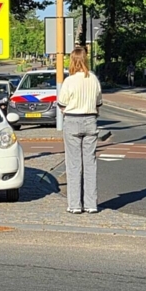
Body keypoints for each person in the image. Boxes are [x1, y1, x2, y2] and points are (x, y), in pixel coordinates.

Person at [57, 47, 103, 214]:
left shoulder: (69, 81)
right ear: (85, 60)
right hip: (91, 121)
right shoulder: (94, 79)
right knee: (90, 163)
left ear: (72, 61)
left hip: (72, 121)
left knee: (74, 163)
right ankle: (91, 204)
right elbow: (99, 102)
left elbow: (61, 103)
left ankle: (75, 205)